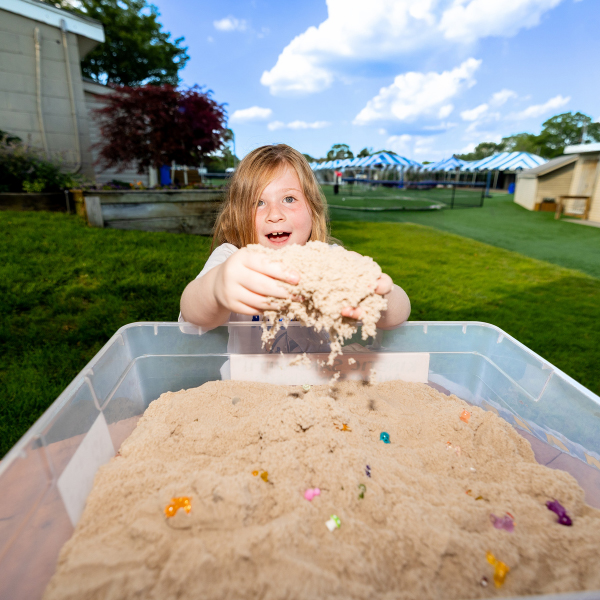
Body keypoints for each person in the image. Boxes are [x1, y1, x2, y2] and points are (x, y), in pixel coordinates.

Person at [180, 144, 410, 345]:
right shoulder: (232, 261)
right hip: (248, 389)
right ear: (238, 215)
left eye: (289, 199)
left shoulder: (329, 260)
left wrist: (377, 293)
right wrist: (216, 288)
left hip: (318, 389)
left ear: (312, 207)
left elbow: (397, 315)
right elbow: (193, 313)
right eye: (258, 202)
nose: (275, 214)